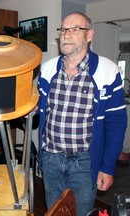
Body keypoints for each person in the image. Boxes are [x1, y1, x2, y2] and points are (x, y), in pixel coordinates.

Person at [37, 12, 127, 216]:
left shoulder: (107, 71)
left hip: (85, 163)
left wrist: (107, 167)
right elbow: (41, 110)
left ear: (89, 35)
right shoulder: (47, 69)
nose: (66, 34)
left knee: (81, 213)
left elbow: (116, 125)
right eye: (63, 30)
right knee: (54, 212)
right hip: (51, 160)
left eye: (74, 29)